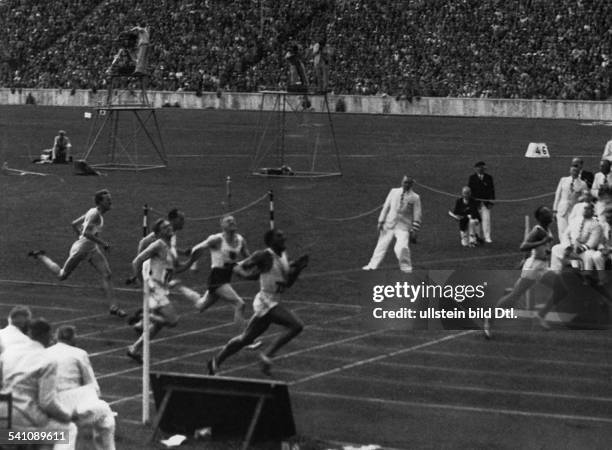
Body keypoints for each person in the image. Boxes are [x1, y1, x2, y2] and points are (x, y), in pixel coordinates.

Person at [207, 229, 308, 376]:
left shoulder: (284, 256)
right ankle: (266, 356)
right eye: (279, 236)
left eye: (283, 235)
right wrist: (249, 276)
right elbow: (239, 267)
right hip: (266, 300)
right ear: (271, 241)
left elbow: (287, 284)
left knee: (245, 339)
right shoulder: (264, 255)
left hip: (273, 301)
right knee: (296, 325)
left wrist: (298, 269)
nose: (284, 237)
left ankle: (215, 361)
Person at [28, 189, 126, 318]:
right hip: (80, 250)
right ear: (100, 203)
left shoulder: (93, 212)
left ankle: (114, 307)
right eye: (107, 200)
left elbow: (74, 224)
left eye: (110, 199)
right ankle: (41, 256)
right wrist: (103, 243)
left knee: (107, 274)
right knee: (62, 275)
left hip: (91, 249)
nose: (110, 201)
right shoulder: (95, 215)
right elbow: (86, 233)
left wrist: (82, 237)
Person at [483, 207, 566, 339]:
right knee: (514, 296)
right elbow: (523, 246)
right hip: (533, 267)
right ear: (540, 217)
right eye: (546, 213)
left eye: (549, 212)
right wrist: (543, 242)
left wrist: (541, 251)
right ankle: (489, 320)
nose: (550, 214)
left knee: (561, 289)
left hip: (543, 266)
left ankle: (541, 315)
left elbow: (535, 248)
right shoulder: (537, 230)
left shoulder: (547, 229)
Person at [0, 319, 78, 449]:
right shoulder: (47, 360)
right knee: (68, 430)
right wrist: (67, 415)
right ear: (46, 335)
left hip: (2, 421)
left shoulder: (9, 352)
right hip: (24, 428)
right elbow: (47, 402)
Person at [46, 325, 115, 450]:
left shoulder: (44, 353)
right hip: (69, 403)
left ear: (56, 337)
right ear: (73, 338)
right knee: (105, 414)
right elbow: (93, 386)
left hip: (46, 405)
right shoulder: (79, 353)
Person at [174, 215, 250, 323]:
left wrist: (249, 266)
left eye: (233, 220)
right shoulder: (216, 239)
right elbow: (196, 248)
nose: (232, 222)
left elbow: (249, 258)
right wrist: (193, 265)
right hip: (217, 278)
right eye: (228, 221)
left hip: (226, 278)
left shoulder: (241, 240)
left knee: (200, 305)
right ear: (222, 225)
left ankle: (178, 287)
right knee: (240, 304)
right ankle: (245, 339)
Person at [127, 218, 179, 363]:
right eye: (164, 227)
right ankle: (143, 316)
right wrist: (141, 281)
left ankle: (134, 349)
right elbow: (136, 261)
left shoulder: (170, 246)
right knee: (173, 320)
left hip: (162, 288)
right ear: (158, 232)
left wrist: (193, 260)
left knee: (158, 325)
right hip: (155, 289)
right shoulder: (158, 244)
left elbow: (175, 268)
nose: (169, 227)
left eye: (169, 225)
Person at [362, 175, 422, 273]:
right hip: (389, 224)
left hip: (403, 226)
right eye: (404, 182)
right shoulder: (394, 192)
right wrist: (380, 221)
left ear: (411, 184)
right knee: (381, 245)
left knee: (402, 247)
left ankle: (406, 267)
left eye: (407, 183)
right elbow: (386, 207)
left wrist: (415, 229)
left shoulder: (415, 197)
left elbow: (417, 214)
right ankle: (372, 265)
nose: (404, 184)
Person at [553, 165, 587, 237]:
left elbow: (585, 197)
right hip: (562, 209)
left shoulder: (583, 184)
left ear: (579, 172)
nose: (574, 172)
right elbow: (558, 195)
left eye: (576, 171)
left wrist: (579, 198)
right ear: (570, 171)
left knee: (572, 231)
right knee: (562, 231)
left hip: (574, 210)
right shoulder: (563, 180)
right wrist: (555, 210)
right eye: (573, 170)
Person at [467, 161, 495, 243]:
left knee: (486, 220)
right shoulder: (472, 178)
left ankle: (487, 237)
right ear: (477, 168)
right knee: (476, 221)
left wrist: (491, 202)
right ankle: (477, 236)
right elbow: (470, 191)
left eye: (483, 168)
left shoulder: (489, 177)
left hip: (485, 203)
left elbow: (492, 190)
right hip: (476, 204)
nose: (482, 169)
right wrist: (471, 202)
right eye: (480, 167)